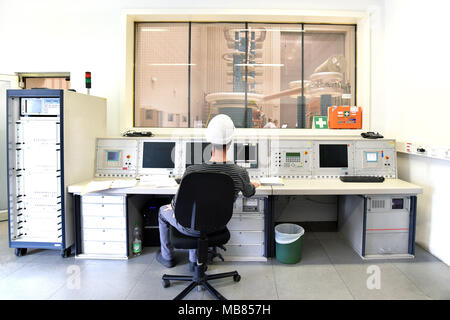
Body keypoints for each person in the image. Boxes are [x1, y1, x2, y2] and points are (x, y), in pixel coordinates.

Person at [157, 114, 260, 270]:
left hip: (189, 226)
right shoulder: (239, 172)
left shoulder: (192, 171)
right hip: (217, 225)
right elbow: (248, 193)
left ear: (210, 141)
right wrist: (254, 184)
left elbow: (178, 205)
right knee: (198, 215)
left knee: (164, 211)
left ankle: (168, 257)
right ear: (230, 142)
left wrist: (172, 204)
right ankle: (194, 261)